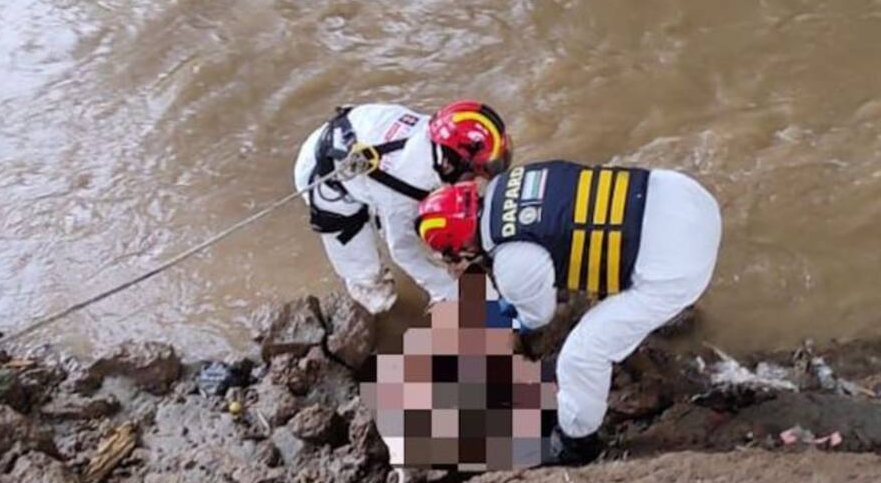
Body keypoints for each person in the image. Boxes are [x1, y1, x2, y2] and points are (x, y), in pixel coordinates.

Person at [415, 159, 722, 464]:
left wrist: (493, 314)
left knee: (580, 357)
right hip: (682, 194)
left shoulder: (512, 259)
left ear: (461, 245)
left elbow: (536, 317)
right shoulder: (515, 177)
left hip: (678, 267)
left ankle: (577, 442)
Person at [293, 101, 511, 314]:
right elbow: (404, 250)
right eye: (477, 170)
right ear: (449, 164)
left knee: (402, 215)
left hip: (362, 141)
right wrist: (448, 289)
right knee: (369, 279)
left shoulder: (439, 139)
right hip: (323, 175)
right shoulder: (408, 185)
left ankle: (377, 207)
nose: (480, 177)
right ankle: (376, 305)